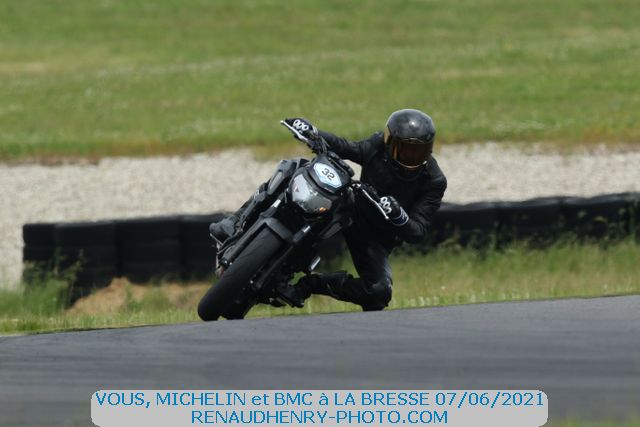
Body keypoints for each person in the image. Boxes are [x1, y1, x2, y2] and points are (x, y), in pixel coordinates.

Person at [210, 109, 447, 311]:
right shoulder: (378, 147)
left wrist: (398, 215)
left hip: (377, 234)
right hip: (351, 205)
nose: (409, 156)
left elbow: (418, 230)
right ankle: (235, 221)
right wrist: (314, 133)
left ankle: (312, 285)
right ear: (389, 142)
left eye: (418, 151)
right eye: (402, 149)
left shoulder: (434, 181)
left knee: (379, 293)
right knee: (298, 167)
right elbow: (349, 148)